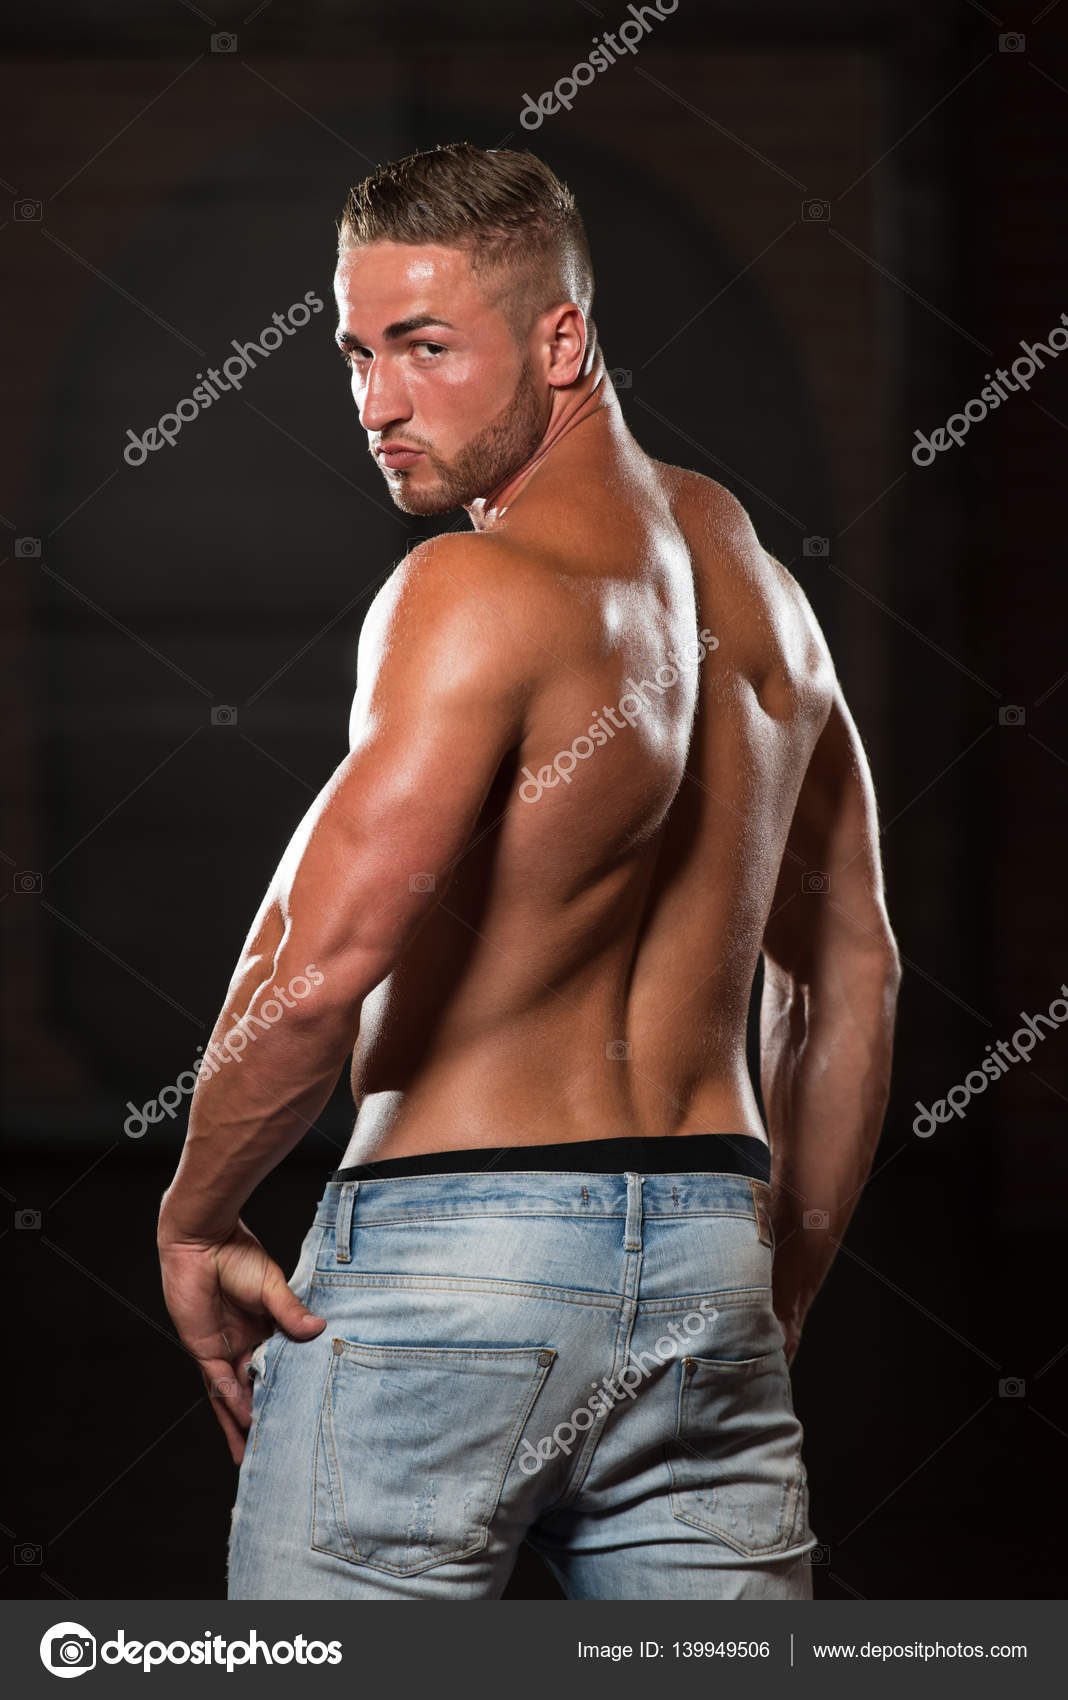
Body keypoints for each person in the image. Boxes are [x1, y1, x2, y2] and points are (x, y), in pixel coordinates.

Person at [157, 142, 901, 1601]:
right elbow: (854, 973)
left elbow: (321, 971)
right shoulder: (768, 603)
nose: (376, 403)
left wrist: (194, 1219)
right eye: (357, 352)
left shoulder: (471, 590)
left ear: (562, 340)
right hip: (710, 1264)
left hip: (455, 1260)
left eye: (426, 350)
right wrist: (779, 1286)